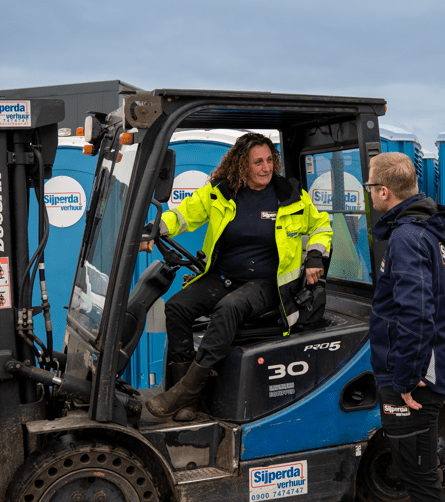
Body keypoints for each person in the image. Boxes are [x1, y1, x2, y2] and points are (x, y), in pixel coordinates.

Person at [140, 132, 332, 421]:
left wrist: (315, 256)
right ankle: (187, 398)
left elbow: (321, 227)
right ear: (242, 165)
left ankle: (184, 393)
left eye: (269, 160)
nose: (266, 167)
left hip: (269, 283)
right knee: (177, 307)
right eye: (258, 162)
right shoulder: (220, 192)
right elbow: (182, 216)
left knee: (228, 308)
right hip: (225, 276)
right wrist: (154, 229)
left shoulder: (290, 196)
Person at [366, 152, 445, 502]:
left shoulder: (407, 237)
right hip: (425, 366)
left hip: (415, 380)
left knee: (419, 477)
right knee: (416, 471)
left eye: (370, 186)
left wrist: (404, 379)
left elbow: (416, 313)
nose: (369, 192)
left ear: (384, 191)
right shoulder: (429, 228)